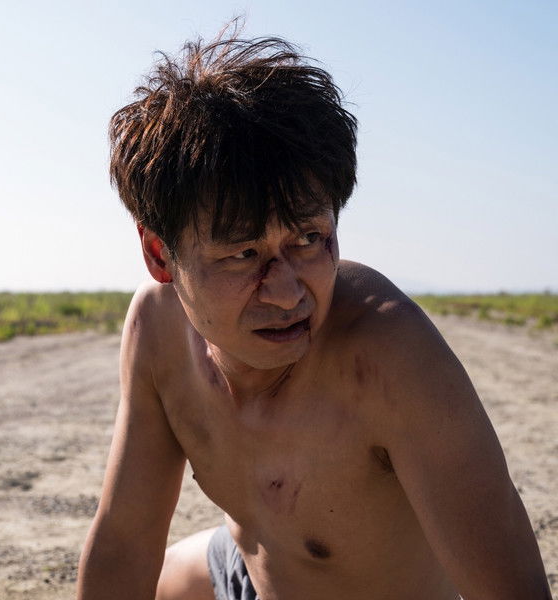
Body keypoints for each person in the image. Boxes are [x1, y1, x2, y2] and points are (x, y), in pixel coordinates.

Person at [76, 24, 551, 600]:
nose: (285, 292)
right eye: (244, 254)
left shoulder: (387, 354)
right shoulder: (158, 329)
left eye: (308, 239)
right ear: (160, 255)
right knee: (165, 584)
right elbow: (124, 541)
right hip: (245, 574)